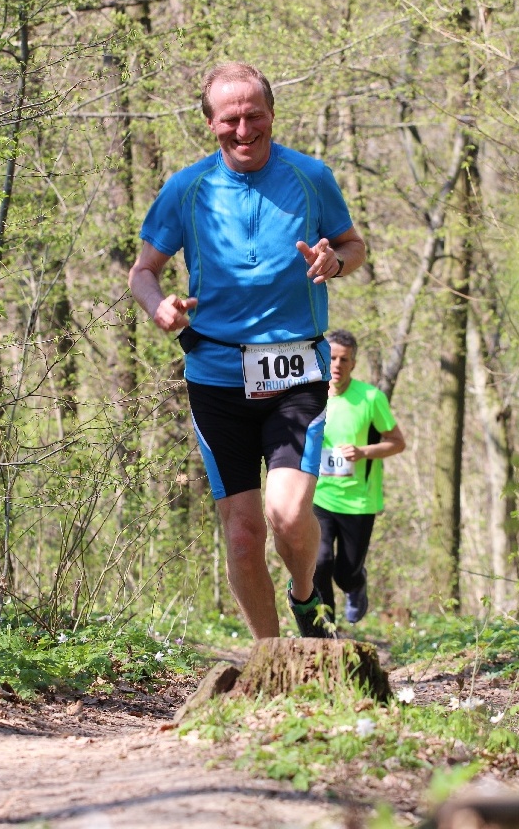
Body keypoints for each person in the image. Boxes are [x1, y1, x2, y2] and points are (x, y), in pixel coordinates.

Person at [128, 62, 365, 640]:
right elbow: (143, 271)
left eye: (254, 115)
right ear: (210, 123)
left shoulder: (311, 177)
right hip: (215, 377)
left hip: (295, 374)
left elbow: (354, 246)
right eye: (229, 119)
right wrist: (158, 307)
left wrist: (335, 262)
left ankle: (305, 595)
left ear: (272, 114)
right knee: (241, 534)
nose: (243, 129)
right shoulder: (187, 188)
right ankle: (268, 655)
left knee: (287, 514)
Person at [313, 329, 405, 625]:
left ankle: (356, 585)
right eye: (332, 358)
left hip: (358, 502)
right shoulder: (309, 395)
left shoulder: (370, 398)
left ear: (353, 363)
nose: (337, 365)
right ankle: (326, 629)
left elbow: (397, 442)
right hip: (319, 496)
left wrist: (363, 452)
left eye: (344, 359)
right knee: (319, 562)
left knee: (346, 573)